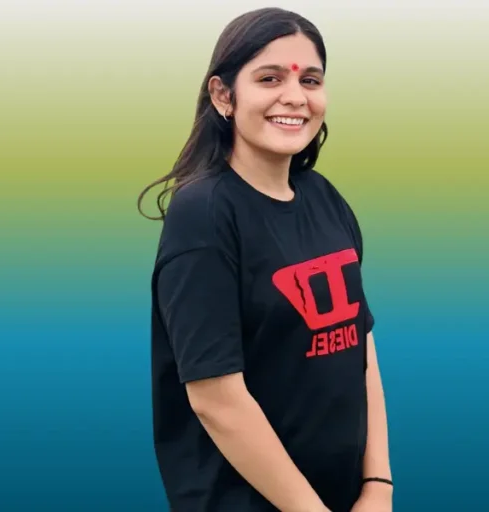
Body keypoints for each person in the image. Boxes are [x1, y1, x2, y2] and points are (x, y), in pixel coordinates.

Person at [138, 8, 392, 512]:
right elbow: (216, 398)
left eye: (311, 80)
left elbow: (360, 345)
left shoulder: (324, 198)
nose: (295, 97)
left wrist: (377, 486)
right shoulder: (204, 215)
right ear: (223, 96)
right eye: (269, 78)